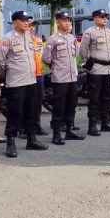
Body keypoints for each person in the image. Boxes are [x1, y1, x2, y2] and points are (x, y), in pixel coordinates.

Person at [0, 11, 48, 158]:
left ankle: (32, 139)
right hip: (16, 82)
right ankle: (11, 143)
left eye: (28, 20)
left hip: (31, 81)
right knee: (15, 113)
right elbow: (0, 61)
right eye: (23, 20)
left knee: (31, 111)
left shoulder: (31, 37)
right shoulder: (8, 39)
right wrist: (10, 73)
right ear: (14, 23)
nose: (27, 23)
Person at [41, 10, 86, 145]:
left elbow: (75, 54)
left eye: (69, 20)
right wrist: (56, 68)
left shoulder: (72, 38)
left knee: (71, 104)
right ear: (58, 22)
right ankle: (56, 133)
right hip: (60, 78)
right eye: (64, 20)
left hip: (72, 77)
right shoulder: (53, 39)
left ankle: (70, 129)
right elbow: (46, 58)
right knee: (59, 106)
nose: (67, 23)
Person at [80, 9, 110, 135]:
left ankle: (105, 122)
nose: (105, 19)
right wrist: (88, 63)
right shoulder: (90, 32)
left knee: (108, 97)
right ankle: (92, 125)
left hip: (108, 69)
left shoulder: (108, 32)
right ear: (95, 18)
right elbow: (83, 50)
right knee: (94, 98)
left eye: (106, 17)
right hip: (96, 68)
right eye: (102, 17)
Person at [27, 17, 48, 136]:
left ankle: (37, 125)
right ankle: (23, 128)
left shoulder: (38, 40)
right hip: (27, 76)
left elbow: (42, 57)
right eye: (29, 25)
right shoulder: (20, 40)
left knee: (38, 102)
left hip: (39, 75)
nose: (31, 27)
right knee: (27, 103)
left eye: (33, 25)